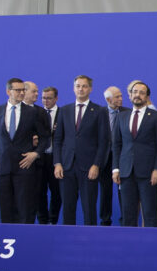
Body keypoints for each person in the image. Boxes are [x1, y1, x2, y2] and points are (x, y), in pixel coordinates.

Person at [0, 78, 51, 224]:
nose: (22, 92)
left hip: (24, 167)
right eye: (18, 90)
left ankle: (25, 242)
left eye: (23, 90)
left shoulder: (32, 112)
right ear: (8, 91)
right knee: (6, 209)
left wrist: (36, 153)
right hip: (2, 167)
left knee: (25, 209)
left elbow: (45, 138)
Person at [54, 75, 110, 226]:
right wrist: (57, 163)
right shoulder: (64, 110)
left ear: (90, 89)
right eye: (78, 86)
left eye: (84, 86)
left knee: (89, 208)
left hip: (89, 167)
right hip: (66, 166)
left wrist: (96, 165)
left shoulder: (99, 111)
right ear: (73, 88)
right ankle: (67, 240)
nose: (81, 89)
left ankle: (90, 241)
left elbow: (103, 142)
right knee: (68, 208)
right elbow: (58, 139)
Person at [112, 81, 157, 227]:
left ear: (147, 97)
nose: (137, 95)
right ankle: (128, 246)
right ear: (130, 95)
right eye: (135, 92)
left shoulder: (156, 116)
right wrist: (116, 168)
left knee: (150, 213)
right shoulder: (121, 117)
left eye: (142, 93)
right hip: (126, 172)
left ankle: (151, 246)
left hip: (148, 172)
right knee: (128, 213)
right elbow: (116, 145)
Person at [99, 86, 128, 225]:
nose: (121, 99)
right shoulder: (99, 113)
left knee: (123, 190)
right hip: (104, 158)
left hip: (122, 157)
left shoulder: (127, 112)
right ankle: (105, 219)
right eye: (117, 97)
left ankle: (125, 219)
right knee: (105, 190)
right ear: (108, 99)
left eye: (121, 96)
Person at [36, 86, 61, 224]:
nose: (46, 101)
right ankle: (42, 221)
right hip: (40, 158)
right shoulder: (36, 113)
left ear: (56, 98)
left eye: (49, 98)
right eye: (43, 98)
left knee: (57, 192)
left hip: (55, 158)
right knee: (39, 191)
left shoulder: (63, 113)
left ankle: (53, 220)